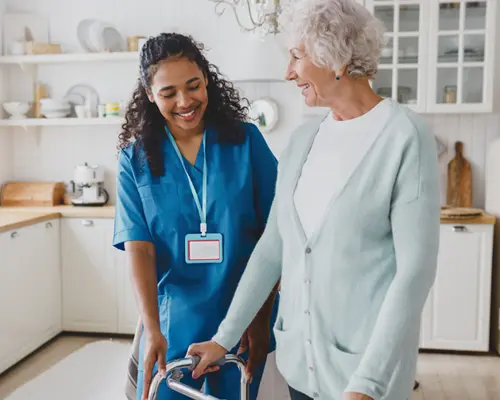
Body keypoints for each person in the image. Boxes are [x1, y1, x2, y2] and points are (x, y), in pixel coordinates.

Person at [186, 0, 441, 399]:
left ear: (334, 56)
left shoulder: (404, 136)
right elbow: (273, 248)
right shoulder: (303, 141)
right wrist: (224, 338)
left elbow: (415, 273)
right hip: (301, 369)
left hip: (363, 377)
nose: (288, 72)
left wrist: (367, 385)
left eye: (296, 56)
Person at [113, 32, 279, 400]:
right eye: (169, 93)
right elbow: (139, 248)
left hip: (243, 312)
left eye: (193, 86)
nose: (185, 102)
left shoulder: (247, 143)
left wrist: (260, 319)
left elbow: (276, 236)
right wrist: (153, 328)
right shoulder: (134, 161)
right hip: (174, 319)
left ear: (207, 80)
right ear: (149, 93)